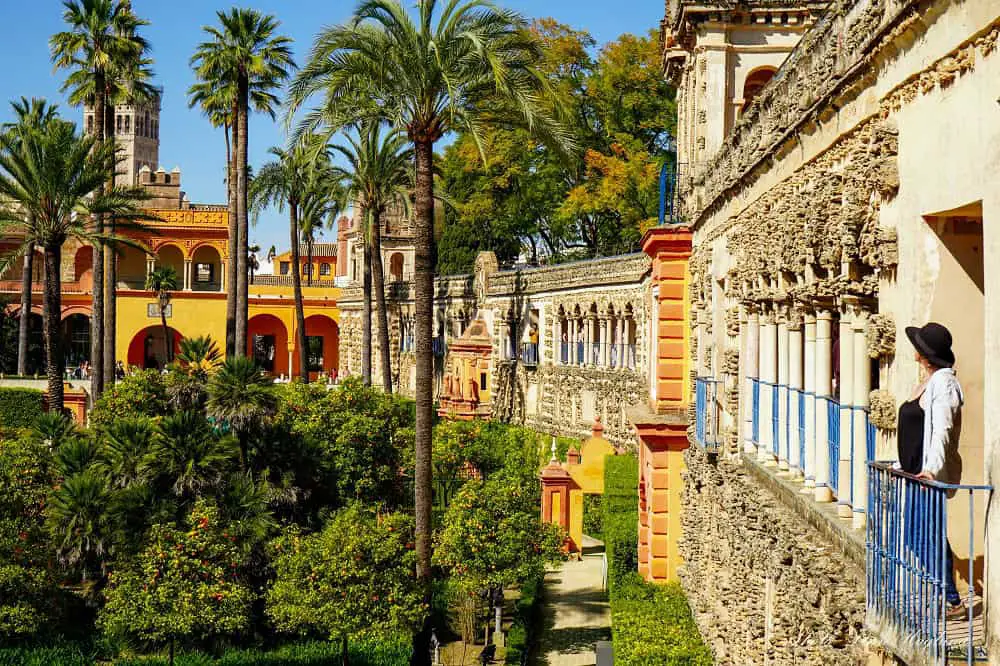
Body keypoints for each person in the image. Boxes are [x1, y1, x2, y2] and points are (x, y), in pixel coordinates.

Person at [903, 322, 965, 618]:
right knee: (924, 535)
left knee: (922, 536)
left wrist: (930, 469)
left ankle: (951, 599)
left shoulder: (944, 383)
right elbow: (917, 431)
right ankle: (949, 595)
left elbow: (942, 430)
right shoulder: (931, 381)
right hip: (915, 472)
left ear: (924, 353)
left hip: (927, 476)